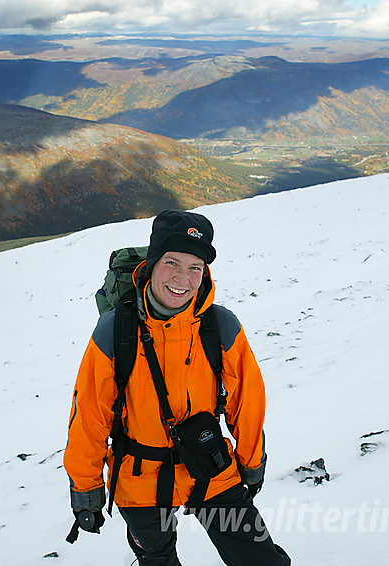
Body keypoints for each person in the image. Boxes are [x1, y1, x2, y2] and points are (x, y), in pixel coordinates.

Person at [64, 210, 291, 566]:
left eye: (195, 267)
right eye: (172, 262)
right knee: (158, 561)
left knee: (260, 561)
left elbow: (248, 402)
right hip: (140, 481)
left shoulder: (220, 325)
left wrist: (251, 462)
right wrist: (85, 487)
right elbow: (89, 415)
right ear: (152, 264)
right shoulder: (115, 330)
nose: (182, 278)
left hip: (211, 468)